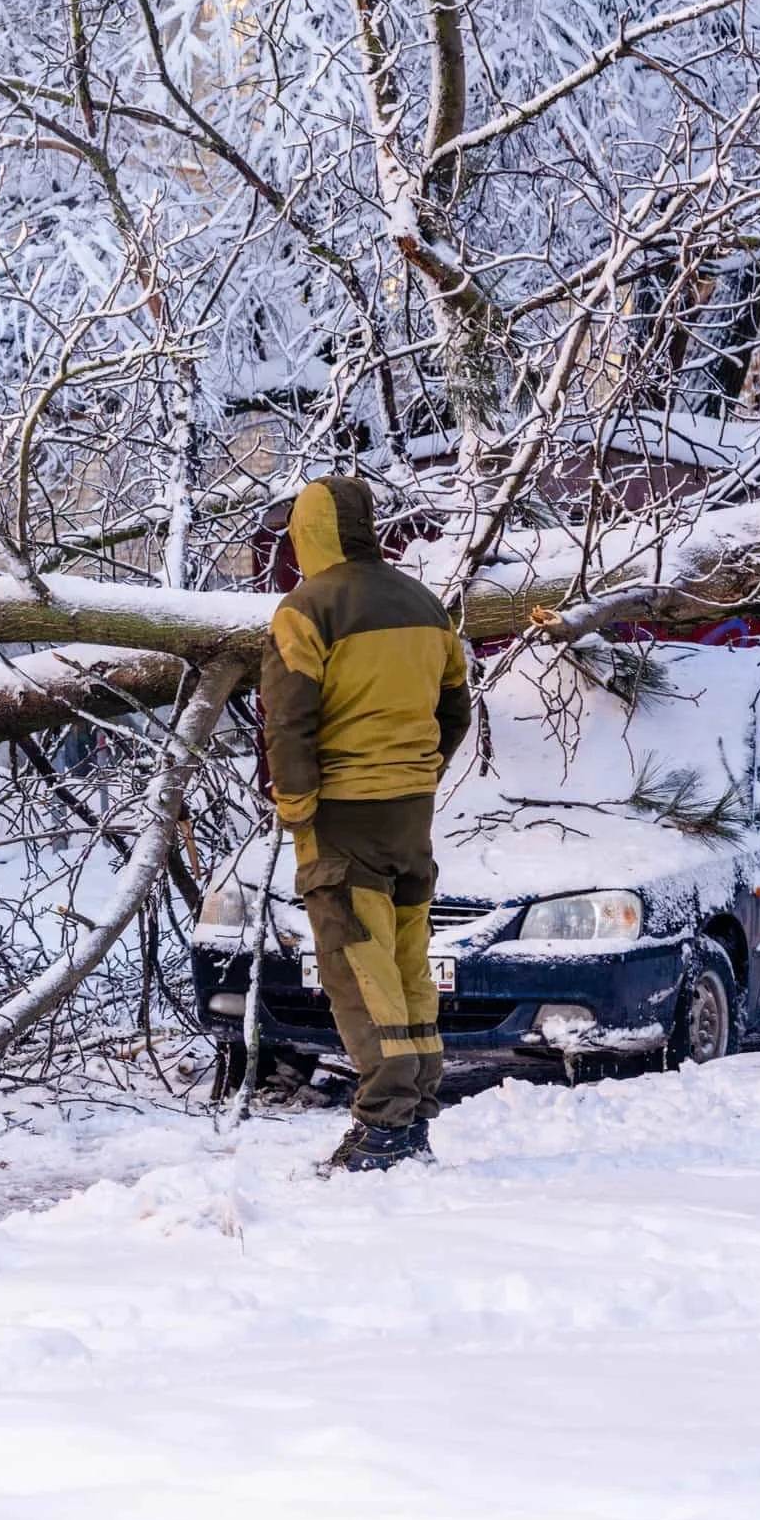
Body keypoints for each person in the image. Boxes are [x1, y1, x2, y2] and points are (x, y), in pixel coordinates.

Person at [259, 477, 471, 1173]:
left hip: (339, 814)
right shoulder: (424, 604)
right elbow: (455, 712)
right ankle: (412, 1120)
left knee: (356, 966)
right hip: (410, 811)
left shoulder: (307, 609)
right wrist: (418, 771)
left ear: (307, 534)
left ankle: (382, 1126)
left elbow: (289, 720)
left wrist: (295, 806)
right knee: (408, 960)